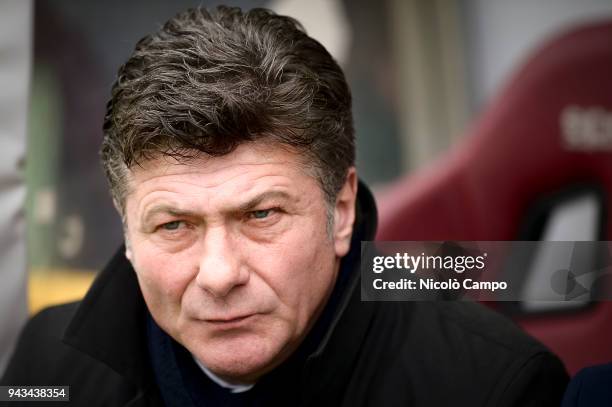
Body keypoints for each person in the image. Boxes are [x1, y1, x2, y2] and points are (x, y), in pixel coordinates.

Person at [1, 6, 569, 406]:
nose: (220, 274)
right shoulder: (47, 368)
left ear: (340, 209)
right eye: (174, 225)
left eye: (261, 215)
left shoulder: (491, 385)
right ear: (127, 229)